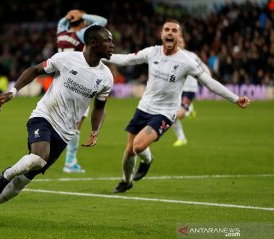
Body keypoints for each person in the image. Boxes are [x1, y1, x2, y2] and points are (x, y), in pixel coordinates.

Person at [0, 25, 114, 227]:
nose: (112, 45)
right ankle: (5, 175)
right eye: (108, 40)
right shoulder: (66, 59)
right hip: (44, 116)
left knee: (23, 181)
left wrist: (94, 131)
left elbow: (99, 107)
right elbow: (35, 70)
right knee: (38, 159)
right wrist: (13, 91)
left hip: (65, 133)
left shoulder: (106, 77)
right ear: (93, 42)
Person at [103, 19, 250, 193]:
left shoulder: (186, 61)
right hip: (144, 107)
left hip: (165, 113)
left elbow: (209, 83)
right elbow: (126, 60)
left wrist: (235, 98)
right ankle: (126, 181)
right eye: (167, 29)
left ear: (179, 36)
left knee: (138, 146)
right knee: (129, 150)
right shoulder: (152, 52)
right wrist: (101, 54)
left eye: (174, 30)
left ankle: (147, 161)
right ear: (162, 34)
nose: (170, 33)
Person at [57, 9, 108, 173]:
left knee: (65, 123)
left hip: (61, 80)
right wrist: (83, 15)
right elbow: (103, 21)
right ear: (83, 23)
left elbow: (61, 22)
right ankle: (70, 162)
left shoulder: (61, 32)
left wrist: (68, 16)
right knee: (76, 126)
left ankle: (68, 160)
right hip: (79, 82)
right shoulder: (80, 35)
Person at [172, 36, 212, 147]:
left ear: (184, 44)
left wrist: (209, 79)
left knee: (177, 115)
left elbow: (203, 66)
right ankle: (182, 137)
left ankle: (189, 111)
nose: (179, 43)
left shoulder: (191, 56)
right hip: (176, 90)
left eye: (181, 42)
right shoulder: (171, 56)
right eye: (177, 42)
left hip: (189, 89)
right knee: (170, 114)